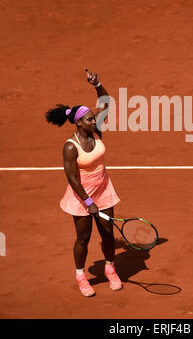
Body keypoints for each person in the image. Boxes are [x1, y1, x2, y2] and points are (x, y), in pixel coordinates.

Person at [45, 68, 122, 297]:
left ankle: (110, 269)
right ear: (79, 123)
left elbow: (106, 103)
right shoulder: (70, 147)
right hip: (81, 194)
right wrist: (88, 202)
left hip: (103, 187)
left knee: (107, 233)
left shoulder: (96, 130)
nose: (95, 119)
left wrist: (97, 85)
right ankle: (81, 275)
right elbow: (72, 178)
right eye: (90, 118)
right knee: (83, 237)